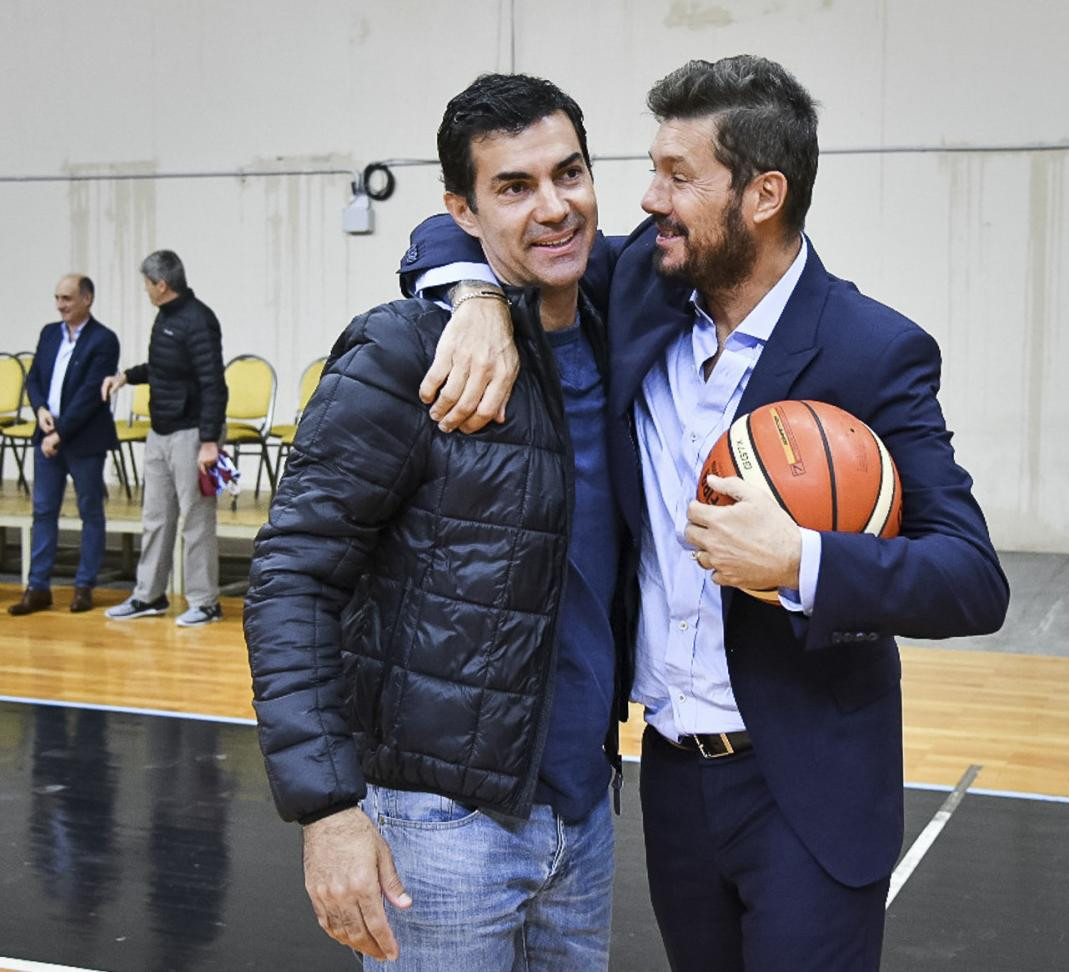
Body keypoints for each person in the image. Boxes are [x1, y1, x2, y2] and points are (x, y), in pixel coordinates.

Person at [401, 55, 1010, 971]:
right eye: (649, 170)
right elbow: (462, 226)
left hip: (803, 784)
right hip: (672, 778)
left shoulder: (871, 349)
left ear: (763, 195)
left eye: (678, 178)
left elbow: (972, 579)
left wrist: (802, 560)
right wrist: (480, 297)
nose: (647, 199)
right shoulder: (643, 287)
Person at [244, 74, 630, 971]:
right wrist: (329, 810)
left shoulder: (623, 328)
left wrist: (479, 292)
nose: (554, 207)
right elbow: (292, 578)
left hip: (585, 815)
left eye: (569, 174)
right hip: (437, 830)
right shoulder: (401, 353)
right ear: (461, 208)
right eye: (514, 186)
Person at [100, 250, 227, 627]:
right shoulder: (166, 317)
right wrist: (127, 375)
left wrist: (209, 442)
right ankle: (149, 595)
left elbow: (213, 384)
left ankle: (205, 602)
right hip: (161, 430)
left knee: (197, 521)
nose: (145, 291)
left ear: (161, 284)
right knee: (155, 517)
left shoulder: (199, 320)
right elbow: (163, 368)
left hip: (193, 434)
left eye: (146, 285)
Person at [8, 275, 119, 616]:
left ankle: (84, 586)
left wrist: (61, 433)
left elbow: (89, 395)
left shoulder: (103, 340)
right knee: (42, 512)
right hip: (47, 435)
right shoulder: (48, 333)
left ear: (87, 299)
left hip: (82, 439)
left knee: (90, 512)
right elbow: (35, 378)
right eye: (57, 298)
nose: (60, 305)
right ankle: (37, 587)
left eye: (67, 298)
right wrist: (40, 409)